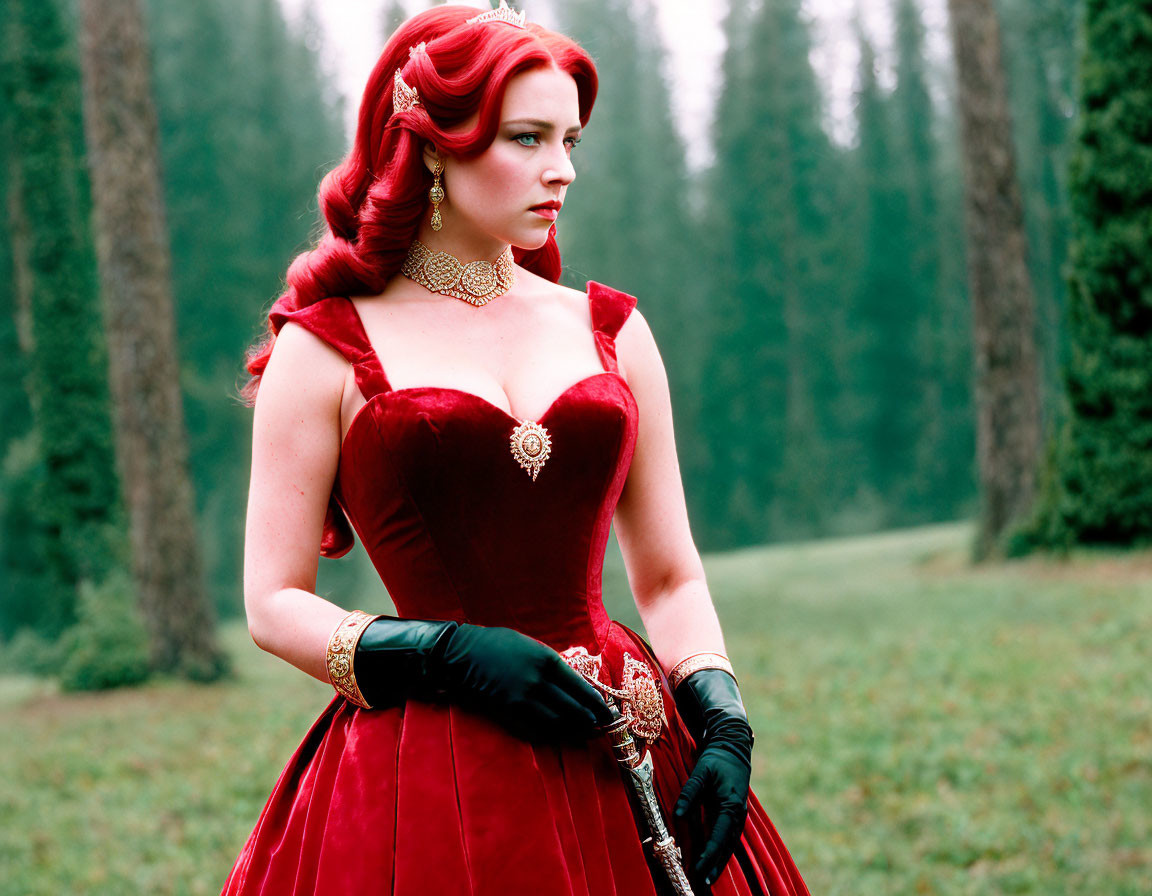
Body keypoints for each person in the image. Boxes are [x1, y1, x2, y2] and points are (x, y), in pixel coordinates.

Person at [224, 4, 808, 894]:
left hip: (627, 740)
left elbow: (669, 577)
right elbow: (271, 604)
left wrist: (723, 721)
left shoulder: (612, 329)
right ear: (431, 143)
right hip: (431, 766)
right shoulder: (326, 347)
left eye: (570, 139)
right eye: (528, 138)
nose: (563, 170)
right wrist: (445, 653)